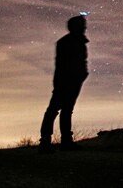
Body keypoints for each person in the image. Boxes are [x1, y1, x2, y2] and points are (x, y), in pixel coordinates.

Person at [39, 15, 89, 152]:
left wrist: (83, 75)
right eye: (82, 25)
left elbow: (82, 62)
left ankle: (65, 141)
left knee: (66, 110)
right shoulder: (65, 42)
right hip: (64, 81)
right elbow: (61, 64)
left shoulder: (80, 42)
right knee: (54, 110)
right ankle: (45, 142)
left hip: (74, 81)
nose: (85, 28)